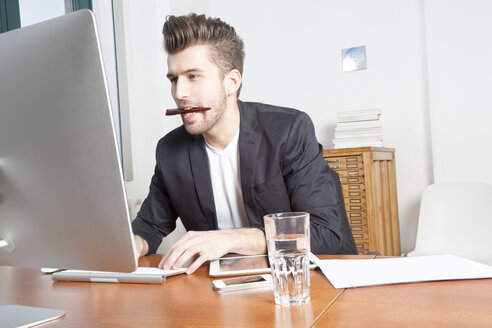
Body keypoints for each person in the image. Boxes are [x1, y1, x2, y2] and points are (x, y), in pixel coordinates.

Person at [132, 13, 357, 274]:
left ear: (232, 82)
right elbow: (150, 225)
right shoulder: (170, 150)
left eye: (193, 76)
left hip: (303, 282)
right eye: (174, 79)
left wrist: (231, 239)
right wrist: (134, 243)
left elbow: (326, 235)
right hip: (221, 292)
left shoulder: (288, 130)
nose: (180, 93)